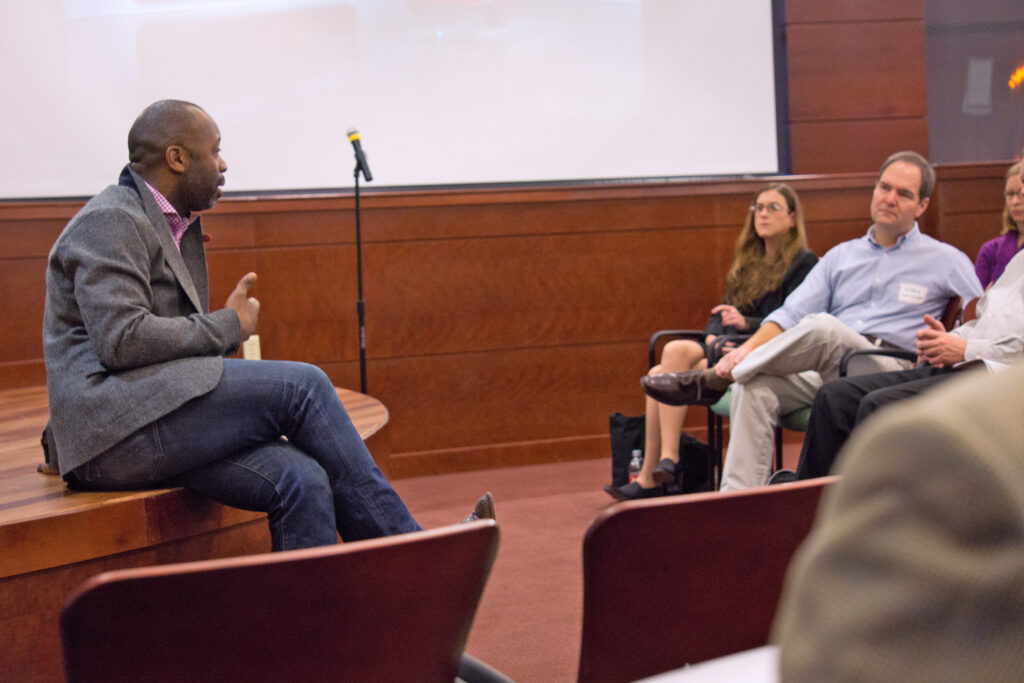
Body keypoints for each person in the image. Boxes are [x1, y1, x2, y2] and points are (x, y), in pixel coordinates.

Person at [43, 100, 492, 552]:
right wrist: (227, 326)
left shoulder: (170, 226)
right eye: (214, 151)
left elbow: (162, 353)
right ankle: (413, 554)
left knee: (304, 480)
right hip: (115, 436)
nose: (223, 164)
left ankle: (309, 624)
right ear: (176, 159)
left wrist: (220, 332)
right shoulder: (110, 220)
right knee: (303, 386)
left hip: (152, 418)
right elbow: (122, 340)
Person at [642, 151, 984, 489]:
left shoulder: (945, 259)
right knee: (754, 388)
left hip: (890, 369)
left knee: (825, 328)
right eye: (884, 187)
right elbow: (789, 314)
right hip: (826, 369)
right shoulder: (841, 256)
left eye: (904, 194)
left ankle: (718, 377)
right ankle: (738, 509)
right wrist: (744, 350)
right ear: (875, 190)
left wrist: (950, 342)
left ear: (922, 206)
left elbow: (982, 317)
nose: (890, 198)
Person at [772, 363, 1024, 681]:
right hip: (945, 359)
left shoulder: (958, 444)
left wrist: (962, 347)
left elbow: (825, 666)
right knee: (822, 394)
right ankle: (804, 528)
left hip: (977, 364)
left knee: (867, 395)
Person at [607, 183, 817, 500]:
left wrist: (748, 324)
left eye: (772, 207)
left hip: (763, 351)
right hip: (727, 346)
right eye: (758, 207)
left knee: (658, 374)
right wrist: (713, 335)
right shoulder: (748, 261)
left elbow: (795, 319)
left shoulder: (805, 264)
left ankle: (653, 475)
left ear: (792, 218)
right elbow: (721, 313)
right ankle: (667, 461)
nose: (762, 214)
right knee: (673, 351)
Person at [794, 243, 1024, 480]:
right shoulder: (1019, 261)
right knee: (833, 397)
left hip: (1004, 381)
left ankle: (874, 514)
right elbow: (984, 325)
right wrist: (945, 340)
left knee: (879, 406)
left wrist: (967, 349)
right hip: (970, 365)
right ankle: (806, 512)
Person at [974, 161, 1023, 289]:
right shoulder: (990, 250)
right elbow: (976, 301)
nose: (1015, 201)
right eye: (1010, 194)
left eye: (1022, 194)